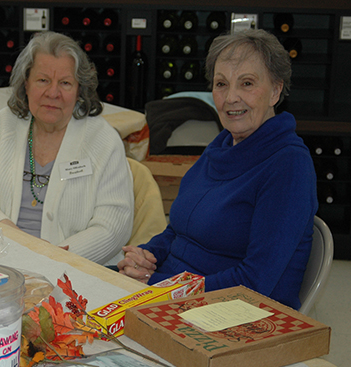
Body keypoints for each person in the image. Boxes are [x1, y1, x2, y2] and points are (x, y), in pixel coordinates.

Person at [118, 29, 318, 310]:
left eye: (247, 83)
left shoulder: (288, 165)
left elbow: (254, 282)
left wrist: (159, 286)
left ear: (275, 91)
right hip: (175, 295)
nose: (231, 97)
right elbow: (177, 231)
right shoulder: (222, 145)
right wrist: (147, 256)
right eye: (221, 84)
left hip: (233, 315)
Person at [0, 31, 134, 264]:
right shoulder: (1, 126)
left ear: (80, 89)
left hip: (73, 269)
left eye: (65, 83)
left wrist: (53, 257)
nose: (53, 93)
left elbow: (114, 227)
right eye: (43, 80)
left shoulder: (104, 141)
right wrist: (8, 234)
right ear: (26, 84)